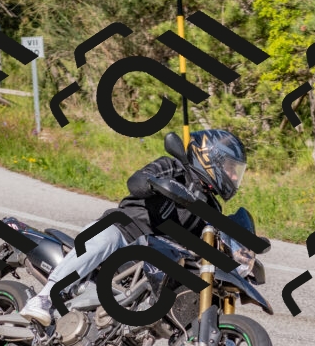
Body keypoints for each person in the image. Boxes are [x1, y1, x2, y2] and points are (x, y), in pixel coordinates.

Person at [19, 129, 248, 326]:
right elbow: (136, 182)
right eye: (230, 168)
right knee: (106, 237)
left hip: (156, 255)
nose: (233, 175)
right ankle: (44, 298)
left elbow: (211, 240)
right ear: (210, 158)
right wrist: (155, 183)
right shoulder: (173, 168)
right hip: (126, 230)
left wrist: (237, 252)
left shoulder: (212, 207)